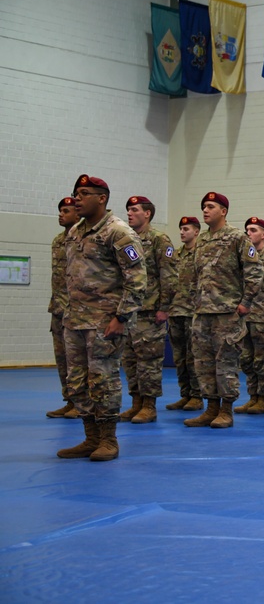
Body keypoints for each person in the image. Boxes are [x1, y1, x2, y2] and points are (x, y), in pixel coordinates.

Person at [57, 174, 146, 461]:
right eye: (76, 193)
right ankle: (90, 438)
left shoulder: (119, 232)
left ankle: (108, 439)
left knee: (103, 380)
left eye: (84, 193)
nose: (77, 199)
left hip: (104, 321)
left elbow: (137, 279)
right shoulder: (75, 232)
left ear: (102, 198)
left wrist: (121, 317)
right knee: (77, 381)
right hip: (75, 321)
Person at [184, 192, 262, 429]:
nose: (205, 210)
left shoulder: (238, 237)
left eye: (210, 206)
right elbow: (195, 276)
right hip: (203, 312)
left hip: (228, 313)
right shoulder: (203, 240)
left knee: (226, 362)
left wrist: (246, 302)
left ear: (223, 211)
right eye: (203, 207)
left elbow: (255, 272)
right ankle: (211, 408)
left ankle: (226, 410)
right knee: (203, 363)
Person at [120, 195, 177, 424]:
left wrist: (165, 308)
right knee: (130, 361)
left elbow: (170, 276)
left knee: (149, 361)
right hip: (130, 311)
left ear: (147, 213)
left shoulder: (159, 240)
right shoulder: (124, 240)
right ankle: (136, 403)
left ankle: (149, 406)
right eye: (128, 210)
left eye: (134, 210)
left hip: (150, 311)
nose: (130, 213)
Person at [235, 217, 264, 415]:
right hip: (246, 317)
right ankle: (253, 397)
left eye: (253, 230)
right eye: (247, 230)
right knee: (247, 359)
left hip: (263, 317)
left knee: (263, 360)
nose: (249, 233)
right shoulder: (245, 256)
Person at [46, 197, 80, 419]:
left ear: (77, 214)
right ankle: (69, 400)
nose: (61, 214)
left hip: (78, 310)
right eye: (60, 210)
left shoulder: (83, 239)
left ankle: (81, 403)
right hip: (58, 309)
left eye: (66, 211)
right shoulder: (58, 241)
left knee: (78, 361)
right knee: (62, 360)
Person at [166, 216, 203, 411]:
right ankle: (185, 393)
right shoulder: (175, 255)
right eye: (181, 229)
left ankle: (197, 395)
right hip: (175, 311)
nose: (182, 232)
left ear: (196, 231)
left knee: (193, 356)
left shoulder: (202, 253)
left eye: (186, 229)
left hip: (193, 312)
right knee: (179, 357)